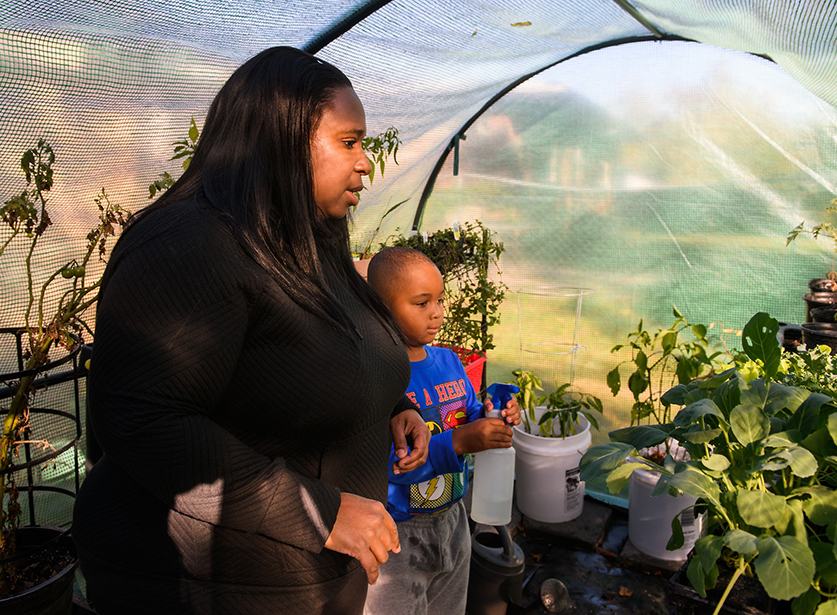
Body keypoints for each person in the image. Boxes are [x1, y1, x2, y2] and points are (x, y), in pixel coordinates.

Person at [72, 47, 431, 615]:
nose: (366, 162)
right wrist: (315, 511)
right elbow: (143, 420)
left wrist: (390, 405)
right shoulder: (190, 246)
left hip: (316, 578)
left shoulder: (309, 239)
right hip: (215, 589)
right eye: (348, 141)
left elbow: (333, 348)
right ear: (283, 139)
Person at [363, 246, 520, 615]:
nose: (437, 312)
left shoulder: (448, 361)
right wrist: (463, 441)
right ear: (380, 308)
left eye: (439, 299)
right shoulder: (376, 374)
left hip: (453, 521)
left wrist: (492, 415)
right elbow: (389, 462)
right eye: (421, 303)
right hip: (397, 535)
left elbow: (465, 414)